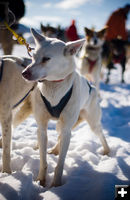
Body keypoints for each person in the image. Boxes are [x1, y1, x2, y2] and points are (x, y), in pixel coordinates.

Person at [103, 4, 130, 83]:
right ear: (125, 9)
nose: (128, 11)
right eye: (127, 9)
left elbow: (122, 29)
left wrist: (124, 37)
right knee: (110, 53)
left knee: (120, 52)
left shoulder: (122, 16)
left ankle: (117, 69)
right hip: (111, 37)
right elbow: (115, 28)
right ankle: (109, 68)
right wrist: (122, 37)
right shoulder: (118, 15)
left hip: (115, 38)